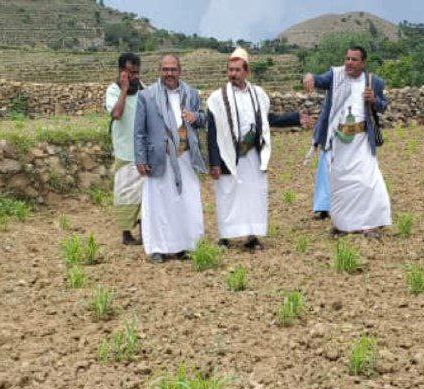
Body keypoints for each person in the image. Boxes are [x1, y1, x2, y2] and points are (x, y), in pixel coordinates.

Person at [206, 48, 308, 250]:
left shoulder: (258, 94)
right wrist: (214, 162)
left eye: (237, 70)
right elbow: (213, 132)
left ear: (246, 72)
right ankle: (225, 237)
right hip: (229, 156)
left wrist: (295, 118)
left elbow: (266, 121)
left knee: (254, 194)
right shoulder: (217, 99)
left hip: (252, 155)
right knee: (227, 193)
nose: (232, 74)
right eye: (230, 70)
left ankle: (252, 237)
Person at [303, 46, 392, 236]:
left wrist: (374, 100)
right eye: (347, 59)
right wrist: (310, 76)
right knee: (340, 184)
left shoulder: (373, 82)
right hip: (339, 141)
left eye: (354, 59)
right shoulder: (335, 76)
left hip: (362, 140)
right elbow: (318, 80)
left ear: (363, 63)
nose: (349, 63)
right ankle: (343, 225)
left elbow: (384, 106)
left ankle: (371, 224)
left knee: (369, 181)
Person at [133, 55, 208, 263]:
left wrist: (196, 117)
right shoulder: (146, 96)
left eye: (173, 69)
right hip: (159, 158)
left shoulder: (191, 94)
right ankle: (158, 247)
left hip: (185, 157)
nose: (169, 73)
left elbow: (203, 118)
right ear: (159, 71)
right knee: (158, 204)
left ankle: (186, 245)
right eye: (165, 69)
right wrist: (140, 158)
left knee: (186, 201)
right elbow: (139, 131)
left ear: (180, 70)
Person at [105, 53, 144, 245]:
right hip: (124, 151)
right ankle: (126, 234)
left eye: (136, 72)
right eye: (130, 73)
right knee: (125, 192)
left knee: (145, 194)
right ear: (122, 72)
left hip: (142, 152)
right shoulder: (112, 90)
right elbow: (117, 113)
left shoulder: (143, 89)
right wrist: (124, 90)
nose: (134, 76)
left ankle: (145, 232)